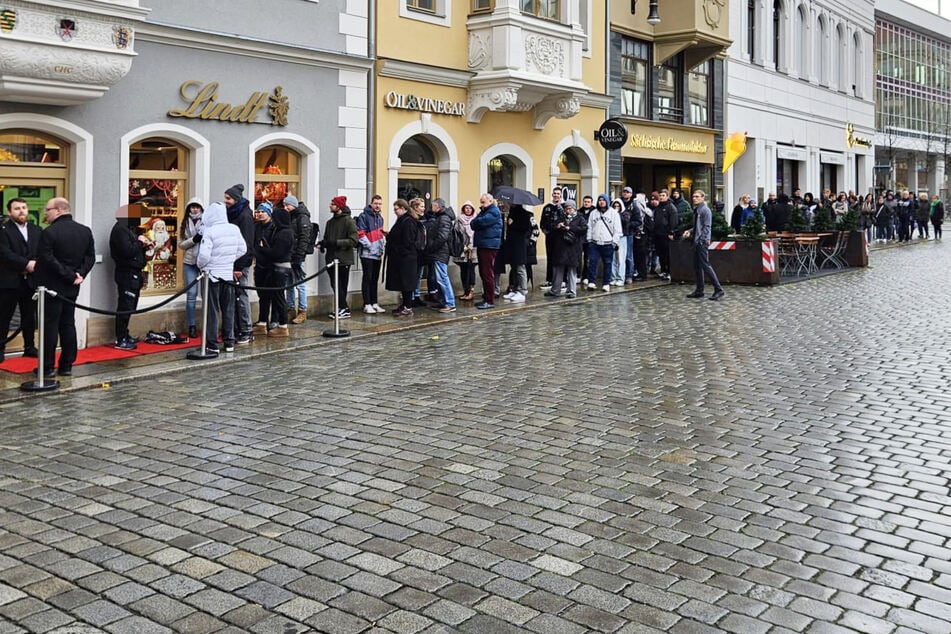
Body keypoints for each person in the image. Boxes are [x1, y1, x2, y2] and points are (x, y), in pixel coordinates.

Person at [33, 198, 95, 377]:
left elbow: (46, 258)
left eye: (48, 210)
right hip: (72, 286)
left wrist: (69, 275)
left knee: (50, 327)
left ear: (59, 210)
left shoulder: (50, 232)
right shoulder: (84, 231)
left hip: (52, 286)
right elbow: (89, 258)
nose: (46, 213)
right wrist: (79, 275)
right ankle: (67, 365)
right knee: (68, 324)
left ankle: (47, 367)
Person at [196, 201, 246, 353]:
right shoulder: (234, 229)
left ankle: (212, 344)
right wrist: (229, 260)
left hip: (211, 275)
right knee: (228, 309)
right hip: (227, 275)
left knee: (212, 311)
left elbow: (204, 256)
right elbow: (242, 249)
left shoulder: (210, 231)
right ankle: (229, 341)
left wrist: (201, 265)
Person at [0, 198, 41, 362]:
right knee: (4, 317)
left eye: (24, 207)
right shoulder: (3, 230)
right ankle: (1, 348)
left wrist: (35, 264)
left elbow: (42, 251)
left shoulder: (37, 230)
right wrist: (26, 264)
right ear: (10, 212)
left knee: (29, 316)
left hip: (30, 281)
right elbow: (4, 253)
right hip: (9, 281)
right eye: (17, 208)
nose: (22, 211)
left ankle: (29, 346)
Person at [252, 201, 293, 337]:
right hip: (270, 267)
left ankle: (282, 325)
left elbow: (277, 252)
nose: (260, 214)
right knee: (265, 296)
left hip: (279, 268)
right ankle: (263, 322)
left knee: (278, 297)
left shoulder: (284, 233)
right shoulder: (280, 230)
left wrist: (262, 249)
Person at [109, 213, 149, 350]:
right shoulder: (120, 230)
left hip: (132, 273)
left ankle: (125, 334)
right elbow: (127, 251)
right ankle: (121, 339)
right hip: (127, 273)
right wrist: (140, 242)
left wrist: (143, 246)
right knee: (125, 306)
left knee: (129, 306)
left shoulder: (126, 229)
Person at [318, 195, 358, 319]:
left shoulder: (348, 221)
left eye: (333, 204)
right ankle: (342, 307)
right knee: (335, 285)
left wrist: (336, 243)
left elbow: (353, 240)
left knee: (341, 285)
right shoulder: (330, 222)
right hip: (331, 259)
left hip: (343, 259)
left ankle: (344, 308)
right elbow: (327, 238)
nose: (330, 206)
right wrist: (323, 244)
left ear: (339, 207)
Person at [223, 184, 254, 344]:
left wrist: (239, 267)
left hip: (240, 264)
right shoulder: (232, 213)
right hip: (231, 262)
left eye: (228, 198)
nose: (225, 201)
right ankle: (235, 327)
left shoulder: (245, 216)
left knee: (241, 295)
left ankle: (246, 329)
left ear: (235, 199)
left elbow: (247, 244)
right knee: (233, 296)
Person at [385, 198, 425, 316]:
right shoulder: (403, 220)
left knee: (407, 283)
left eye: (396, 209)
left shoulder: (408, 221)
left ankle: (408, 306)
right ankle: (405, 305)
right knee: (403, 283)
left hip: (406, 258)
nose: (395, 211)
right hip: (402, 257)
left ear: (403, 208)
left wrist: (396, 246)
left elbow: (407, 241)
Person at [684, 190, 724, 301]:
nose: (694, 198)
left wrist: (702, 240)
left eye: (697, 196)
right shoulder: (697, 210)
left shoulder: (705, 210)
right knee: (697, 266)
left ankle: (718, 289)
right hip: (697, 241)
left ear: (702, 197)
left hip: (701, 242)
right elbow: (698, 227)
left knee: (706, 265)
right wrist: (690, 231)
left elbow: (707, 227)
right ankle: (699, 290)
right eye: (693, 196)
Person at [546, 199, 587, 298]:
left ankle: (571, 291)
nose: (568, 210)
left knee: (572, 270)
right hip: (561, 247)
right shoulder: (561, 217)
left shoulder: (580, 218)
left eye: (570, 208)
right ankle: (555, 290)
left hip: (574, 247)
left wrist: (571, 228)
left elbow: (584, 229)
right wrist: (558, 226)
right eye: (566, 208)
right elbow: (551, 227)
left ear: (574, 208)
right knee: (558, 269)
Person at [283, 195, 313, 324]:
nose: (285, 208)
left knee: (300, 284)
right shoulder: (291, 217)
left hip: (297, 256)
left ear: (293, 205)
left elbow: (304, 238)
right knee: (289, 284)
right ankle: (290, 309)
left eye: (287, 205)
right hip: (289, 255)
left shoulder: (302, 217)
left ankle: (302, 310)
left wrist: (299, 255)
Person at [424, 197, 457, 313]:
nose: (431, 208)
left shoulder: (443, 218)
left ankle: (450, 303)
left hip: (440, 253)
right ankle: (442, 302)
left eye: (433, 206)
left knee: (442, 278)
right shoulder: (440, 217)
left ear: (438, 207)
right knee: (439, 278)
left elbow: (442, 237)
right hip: (438, 252)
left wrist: (431, 246)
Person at [471, 193, 503, 309]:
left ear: (490, 201)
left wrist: (477, 220)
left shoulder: (493, 211)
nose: (481, 204)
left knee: (487, 273)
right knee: (484, 273)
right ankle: (486, 298)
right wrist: (477, 220)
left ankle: (490, 300)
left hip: (489, 245)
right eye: (481, 202)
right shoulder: (485, 211)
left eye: (483, 202)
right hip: (484, 244)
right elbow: (473, 224)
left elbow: (480, 222)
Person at [356, 194, 386, 314]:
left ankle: (374, 302)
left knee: (374, 279)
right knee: (367, 278)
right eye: (376, 203)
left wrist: (381, 245)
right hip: (367, 254)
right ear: (371, 204)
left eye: (379, 204)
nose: (378, 206)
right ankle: (367, 303)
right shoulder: (363, 216)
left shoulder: (380, 218)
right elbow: (361, 233)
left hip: (377, 253)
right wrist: (370, 246)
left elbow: (381, 234)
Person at [178, 199, 203, 339]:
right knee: (191, 294)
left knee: (207, 294)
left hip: (204, 262)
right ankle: (192, 325)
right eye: (192, 207)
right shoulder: (184, 223)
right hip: (189, 262)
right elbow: (181, 245)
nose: (194, 210)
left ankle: (208, 323)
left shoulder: (206, 222)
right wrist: (194, 240)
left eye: (197, 207)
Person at [586, 195, 621, 292]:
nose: (601, 202)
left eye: (603, 200)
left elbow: (617, 229)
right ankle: (592, 282)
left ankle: (606, 283)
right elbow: (590, 227)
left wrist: (614, 241)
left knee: (608, 263)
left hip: (608, 242)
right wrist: (589, 239)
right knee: (592, 262)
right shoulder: (593, 213)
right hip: (594, 242)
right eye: (600, 200)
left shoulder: (613, 214)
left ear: (607, 201)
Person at [500, 203, 532, 303]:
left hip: (519, 245)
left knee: (520, 268)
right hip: (511, 244)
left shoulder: (525, 214)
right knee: (514, 268)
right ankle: (515, 288)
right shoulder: (511, 213)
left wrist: (513, 224)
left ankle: (523, 290)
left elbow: (526, 228)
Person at [539, 186, 564, 289]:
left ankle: (562, 280)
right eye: (554, 193)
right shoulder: (547, 207)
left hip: (561, 237)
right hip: (550, 236)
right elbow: (543, 222)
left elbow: (566, 219)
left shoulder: (564, 206)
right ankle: (549, 280)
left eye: (558, 194)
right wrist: (546, 231)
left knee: (561, 258)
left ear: (561, 195)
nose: (556, 195)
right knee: (550, 258)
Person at [653, 189, 679, 281]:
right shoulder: (658, 207)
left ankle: (668, 272)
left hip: (666, 234)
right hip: (658, 234)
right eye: (660, 195)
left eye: (663, 195)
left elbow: (674, 221)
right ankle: (663, 270)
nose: (661, 197)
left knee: (667, 254)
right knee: (660, 254)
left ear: (667, 196)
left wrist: (672, 232)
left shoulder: (671, 207)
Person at [454, 201, 478, 300]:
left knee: (471, 270)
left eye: (470, 208)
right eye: (466, 208)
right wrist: (462, 245)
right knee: (463, 270)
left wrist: (471, 246)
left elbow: (477, 233)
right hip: (462, 249)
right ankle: (465, 291)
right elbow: (456, 234)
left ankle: (471, 291)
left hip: (473, 248)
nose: (468, 210)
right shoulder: (459, 220)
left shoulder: (476, 219)